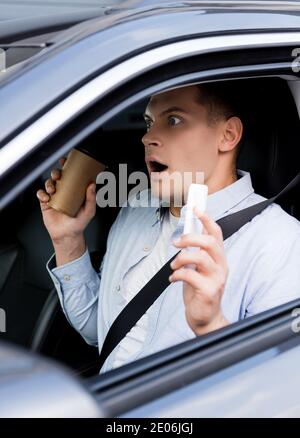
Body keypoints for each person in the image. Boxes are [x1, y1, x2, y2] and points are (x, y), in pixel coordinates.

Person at [36, 82, 300, 374]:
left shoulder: (281, 241)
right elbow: (100, 333)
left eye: (174, 120)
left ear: (228, 135)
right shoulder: (136, 207)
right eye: (149, 122)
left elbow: (277, 389)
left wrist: (211, 327)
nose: (148, 137)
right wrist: (68, 240)